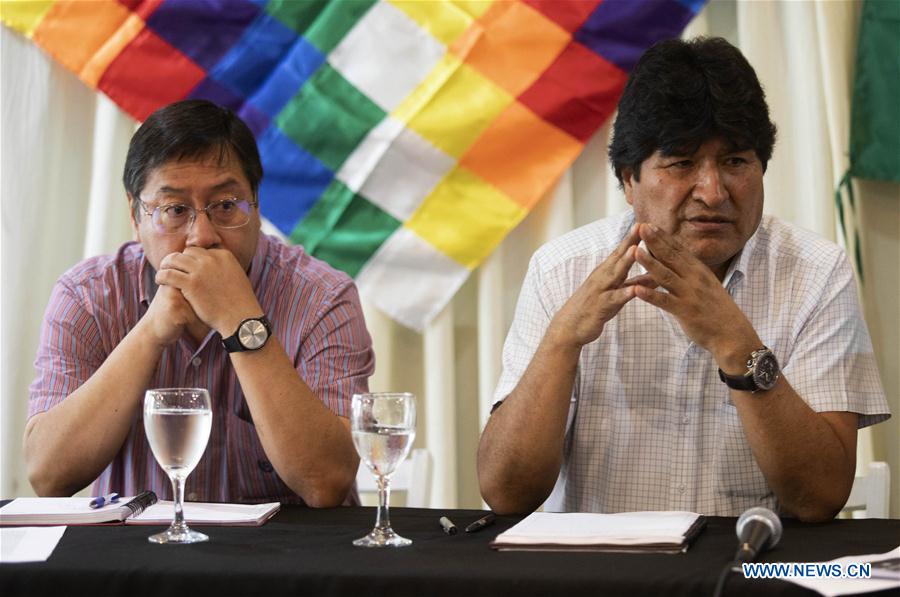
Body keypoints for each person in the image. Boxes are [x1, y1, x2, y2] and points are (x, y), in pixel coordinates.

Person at [477, 37, 890, 521]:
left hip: (750, 575)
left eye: (736, 161)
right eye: (682, 163)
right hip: (599, 576)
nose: (713, 193)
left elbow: (819, 498)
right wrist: (562, 342)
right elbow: (506, 494)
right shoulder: (563, 270)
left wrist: (735, 343)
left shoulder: (818, 274)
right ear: (629, 180)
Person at [26, 100, 374, 506]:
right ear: (135, 215)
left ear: (257, 206)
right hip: (136, 561)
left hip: (285, 563)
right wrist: (150, 332)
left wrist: (242, 321)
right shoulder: (86, 296)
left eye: (225, 205)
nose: (202, 236)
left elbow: (325, 483)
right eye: (174, 209)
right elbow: (48, 477)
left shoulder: (323, 298)